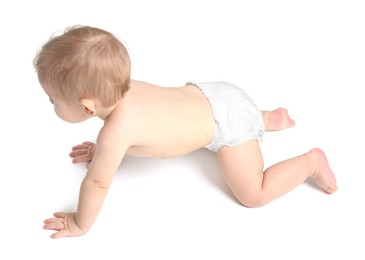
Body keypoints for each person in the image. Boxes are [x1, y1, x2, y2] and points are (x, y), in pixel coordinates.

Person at [34, 25, 337, 239]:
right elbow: (159, 119)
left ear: (88, 108)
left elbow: (98, 182)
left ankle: (309, 162)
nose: (51, 104)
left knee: (253, 194)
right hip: (217, 93)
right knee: (216, 114)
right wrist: (101, 153)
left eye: (53, 100)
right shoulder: (124, 87)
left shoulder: (115, 133)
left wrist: (79, 222)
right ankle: (268, 119)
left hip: (228, 126)